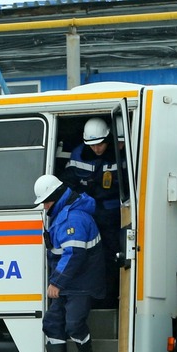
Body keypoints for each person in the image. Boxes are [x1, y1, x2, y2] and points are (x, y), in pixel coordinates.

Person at [33, 174, 105, 352]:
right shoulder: (65, 213)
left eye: (46, 202)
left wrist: (56, 283)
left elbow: (74, 254)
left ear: (56, 196)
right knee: (52, 323)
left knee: (74, 324)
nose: (45, 207)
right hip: (71, 284)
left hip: (80, 285)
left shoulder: (72, 218)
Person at [66, 117, 122, 307]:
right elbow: (69, 184)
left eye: (100, 144)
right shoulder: (78, 155)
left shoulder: (120, 154)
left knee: (113, 256)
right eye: (92, 145)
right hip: (87, 214)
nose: (96, 148)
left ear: (108, 139)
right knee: (88, 258)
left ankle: (110, 299)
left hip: (114, 214)